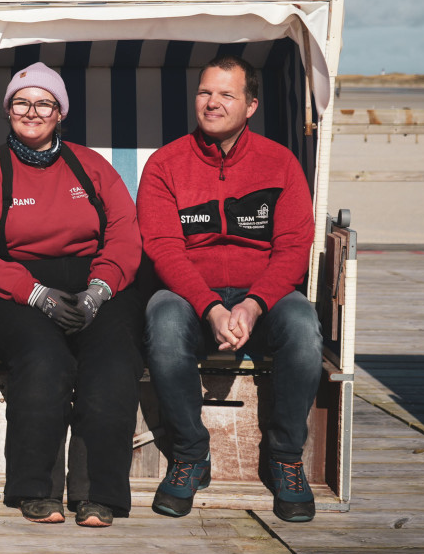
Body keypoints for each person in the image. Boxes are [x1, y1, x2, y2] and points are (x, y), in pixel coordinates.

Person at [0, 62, 146, 526]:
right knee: (46, 358)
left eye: (44, 103)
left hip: (94, 281)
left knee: (113, 360)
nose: (32, 111)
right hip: (8, 287)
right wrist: (34, 293)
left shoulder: (91, 166)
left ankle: (98, 494)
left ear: (60, 113)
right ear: (7, 111)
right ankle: (35, 488)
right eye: (21, 102)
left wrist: (100, 289)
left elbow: (124, 231)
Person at [137, 55, 322, 522]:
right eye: (204, 92)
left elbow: (294, 247)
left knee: (304, 329)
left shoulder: (280, 163)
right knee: (161, 321)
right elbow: (163, 247)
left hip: (263, 294)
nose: (212, 102)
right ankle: (190, 453)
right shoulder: (165, 164)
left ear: (251, 105)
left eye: (226, 94)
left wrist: (256, 304)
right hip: (191, 293)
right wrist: (211, 308)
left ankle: (284, 458)